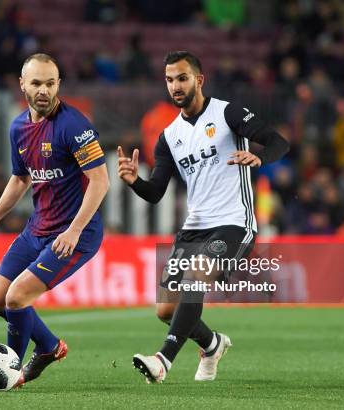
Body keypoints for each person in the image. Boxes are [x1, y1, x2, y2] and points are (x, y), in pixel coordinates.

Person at [117, 51, 289, 383]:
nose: (175, 86)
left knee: (198, 273)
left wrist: (260, 156)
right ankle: (212, 344)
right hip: (194, 228)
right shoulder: (169, 137)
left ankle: (163, 361)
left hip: (234, 222)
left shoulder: (227, 113)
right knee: (165, 310)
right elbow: (156, 192)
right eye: (169, 80)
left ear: (199, 79)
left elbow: (278, 141)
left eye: (181, 78)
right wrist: (134, 181)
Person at [0, 53, 109, 387]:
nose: (43, 90)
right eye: (36, 83)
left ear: (58, 84)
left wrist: (74, 230)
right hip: (38, 228)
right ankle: (48, 346)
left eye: (50, 83)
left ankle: (11, 371)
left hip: (76, 233)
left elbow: (101, 180)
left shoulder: (74, 125)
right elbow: (20, 180)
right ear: (22, 85)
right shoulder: (18, 127)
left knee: (16, 298)